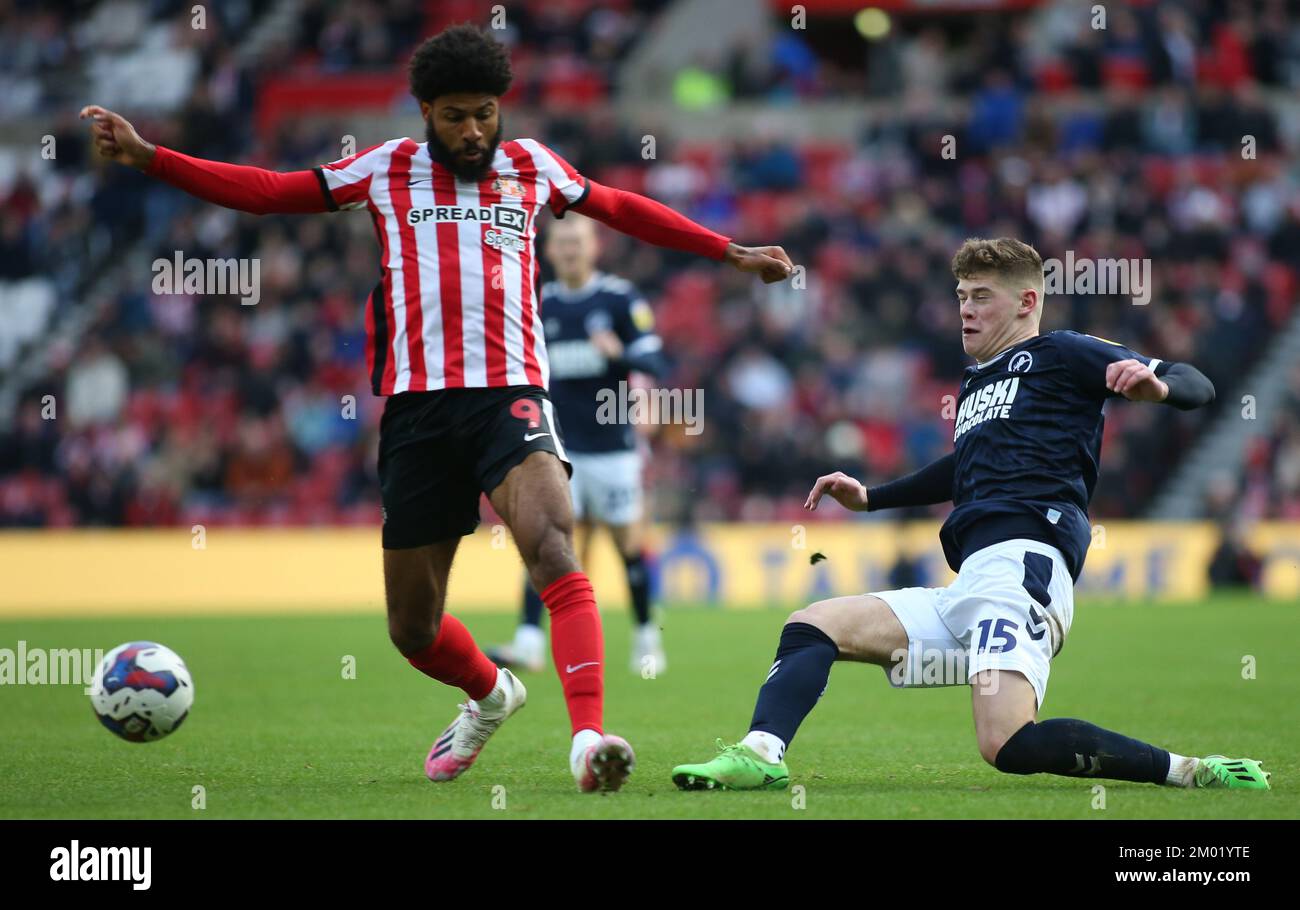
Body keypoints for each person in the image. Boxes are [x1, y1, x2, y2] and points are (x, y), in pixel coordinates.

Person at [83, 24, 792, 793]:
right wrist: (152, 157)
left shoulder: (533, 167)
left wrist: (730, 250)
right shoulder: (387, 168)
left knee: (554, 544)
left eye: (485, 112)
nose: (473, 130)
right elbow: (267, 193)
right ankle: (491, 694)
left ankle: (588, 739)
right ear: (425, 110)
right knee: (412, 630)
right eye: (455, 115)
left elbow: (621, 206)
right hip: (419, 414)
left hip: (510, 397)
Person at [671, 237, 1270, 792]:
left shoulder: (1061, 354)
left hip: (1023, 572)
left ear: (1027, 301)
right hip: (970, 587)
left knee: (1006, 743)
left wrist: (1157, 388)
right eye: (961, 296)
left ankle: (1194, 772)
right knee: (814, 624)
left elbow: (1196, 384)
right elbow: (963, 467)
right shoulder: (977, 380)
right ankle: (762, 754)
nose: (966, 309)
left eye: (982, 296)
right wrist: (871, 497)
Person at [488, 214, 668, 675]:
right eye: (562, 242)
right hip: (557, 450)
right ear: (548, 250)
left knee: (627, 544)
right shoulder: (536, 302)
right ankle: (529, 642)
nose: (569, 250)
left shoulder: (619, 299)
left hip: (613, 448)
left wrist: (619, 355)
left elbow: (656, 358)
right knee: (546, 542)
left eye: (577, 241)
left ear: (594, 247)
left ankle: (647, 637)